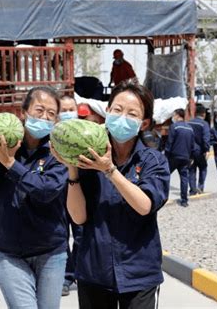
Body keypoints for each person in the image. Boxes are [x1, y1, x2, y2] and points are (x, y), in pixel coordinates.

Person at [51, 80, 170, 309]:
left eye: (132, 114)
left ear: (143, 123)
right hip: (94, 272)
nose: (122, 117)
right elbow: (78, 217)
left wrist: (109, 170)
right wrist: (73, 168)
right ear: (107, 112)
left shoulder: (153, 161)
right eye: (117, 110)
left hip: (139, 273)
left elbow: (145, 205)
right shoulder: (86, 156)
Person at [0, 86, 68, 308]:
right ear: (24, 112)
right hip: (9, 252)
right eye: (39, 110)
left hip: (50, 251)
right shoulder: (7, 145)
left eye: (51, 114)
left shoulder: (58, 151)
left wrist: (10, 164)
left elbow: (45, 191)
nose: (45, 117)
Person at [59, 95, 84, 296]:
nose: (68, 113)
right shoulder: (53, 136)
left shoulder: (86, 133)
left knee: (81, 236)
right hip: (58, 194)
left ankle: (79, 272)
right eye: (64, 109)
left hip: (81, 193)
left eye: (71, 108)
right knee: (61, 236)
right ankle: (66, 277)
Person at [165, 108, 196, 206]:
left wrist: (165, 156)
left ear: (178, 116)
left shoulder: (174, 127)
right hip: (185, 157)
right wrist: (191, 157)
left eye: (174, 115)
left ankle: (163, 197)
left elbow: (169, 142)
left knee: (165, 175)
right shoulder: (190, 128)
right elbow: (192, 145)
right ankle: (184, 200)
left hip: (174, 157)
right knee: (184, 178)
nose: (173, 117)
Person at [188, 105, 210, 195]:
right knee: (203, 168)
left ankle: (192, 190)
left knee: (191, 170)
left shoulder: (189, 123)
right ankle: (200, 187)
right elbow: (206, 138)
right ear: (204, 114)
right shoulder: (204, 124)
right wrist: (207, 150)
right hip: (200, 151)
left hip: (190, 151)